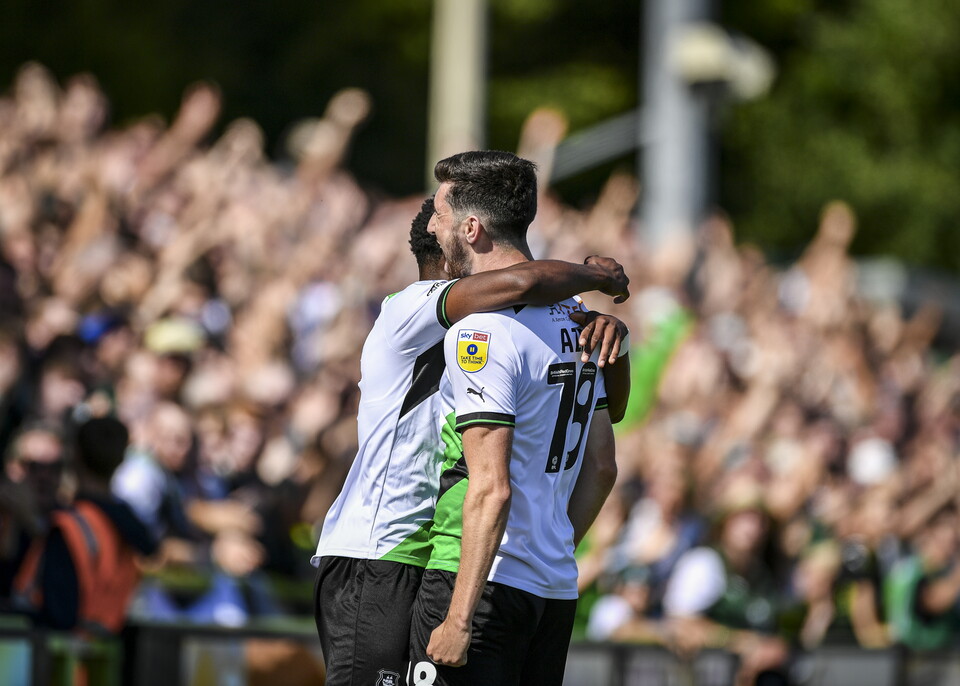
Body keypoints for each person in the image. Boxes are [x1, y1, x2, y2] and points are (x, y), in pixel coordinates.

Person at [312, 193, 630, 686]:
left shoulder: (495, 329)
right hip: (379, 548)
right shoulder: (411, 307)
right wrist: (595, 276)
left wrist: (610, 333)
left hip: (448, 553)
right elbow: (524, 281)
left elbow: (604, 408)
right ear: (449, 254)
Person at [408, 150, 629, 686]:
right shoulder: (580, 322)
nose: (432, 227)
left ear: (472, 228)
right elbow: (603, 467)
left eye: (440, 214)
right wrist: (551, 549)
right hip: (554, 588)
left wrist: (459, 619)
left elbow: (491, 488)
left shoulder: (480, 331)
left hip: (481, 581)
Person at [12, 416, 157, 633]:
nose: (44, 476)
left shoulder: (69, 525)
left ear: (75, 457)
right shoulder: (130, 527)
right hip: (106, 643)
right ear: (120, 460)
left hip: (55, 647)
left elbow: (59, 614)